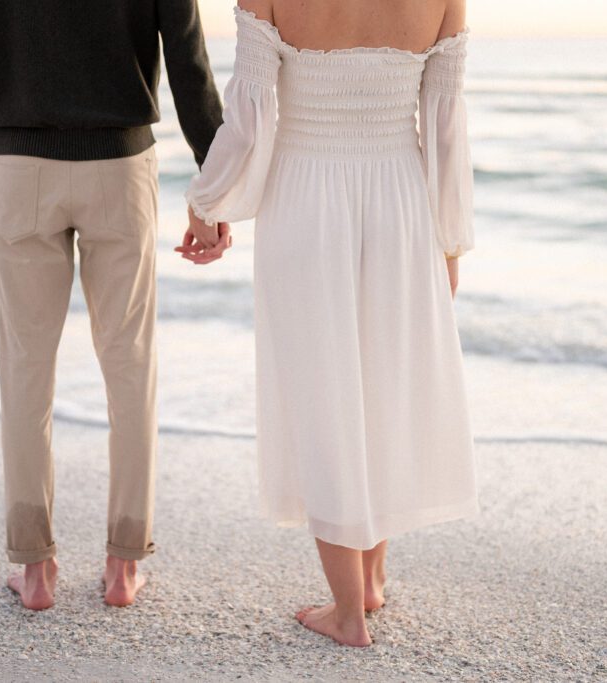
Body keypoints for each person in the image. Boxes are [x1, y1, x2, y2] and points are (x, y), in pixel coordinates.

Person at [179, 0, 478, 646]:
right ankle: (369, 580)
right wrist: (450, 242)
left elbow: (250, 116)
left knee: (325, 398)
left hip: (307, 198)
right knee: (383, 387)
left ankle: (347, 612)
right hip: (401, 201)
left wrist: (208, 202)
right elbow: (448, 124)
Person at [0, 0, 223, 609]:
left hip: (20, 163)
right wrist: (212, 179)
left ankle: (35, 572)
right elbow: (188, 58)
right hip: (120, 165)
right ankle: (123, 565)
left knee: (26, 369)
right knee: (130, 367)